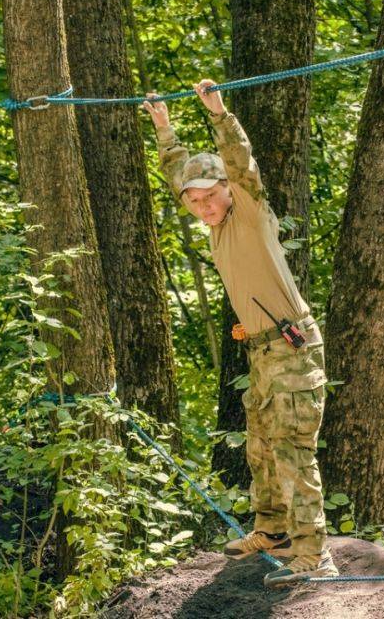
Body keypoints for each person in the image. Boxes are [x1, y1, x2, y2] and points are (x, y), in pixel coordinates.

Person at [140, 79, 339, 586]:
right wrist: (164, 127)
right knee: (260, 447)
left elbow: (241, 163)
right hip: (261, 352)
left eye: (212, 195)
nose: (203, 205)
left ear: (228, 190)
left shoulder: (248, 212)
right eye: (195, 200)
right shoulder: (214, 222)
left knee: (293, 450)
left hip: (293, 351)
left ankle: (315, 555)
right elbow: (176, 175)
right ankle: (272, 530)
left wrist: (219, 114)